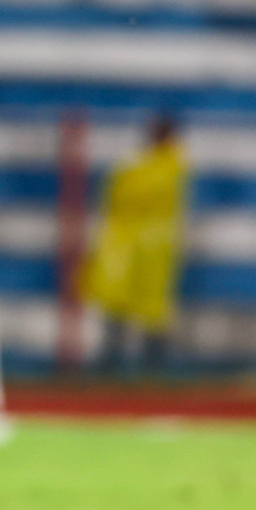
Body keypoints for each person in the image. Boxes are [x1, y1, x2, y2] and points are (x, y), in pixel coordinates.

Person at [80, 113, 189, 372]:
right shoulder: (142, 162)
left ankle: (152, 366)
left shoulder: (170, 165)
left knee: (152, 311)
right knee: (117, 306)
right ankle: (111, 363)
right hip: (127, 246)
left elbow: (129, 192)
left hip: (151, 249)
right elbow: (116, 194)